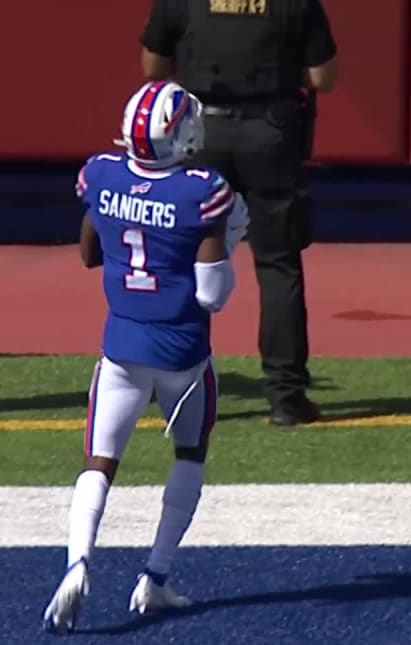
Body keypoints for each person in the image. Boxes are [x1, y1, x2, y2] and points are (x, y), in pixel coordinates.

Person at [43, 81, 248, 633]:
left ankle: (76, 562)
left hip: (122, 348)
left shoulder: (103, 175)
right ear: (178, 134)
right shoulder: (200, 191)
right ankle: (155, 579)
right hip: (183, 352)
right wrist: (225, 244)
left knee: (99, 463)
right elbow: (213, 296)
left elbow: (89, 253)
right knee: (188, 457)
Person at [139, 0, 339, 426]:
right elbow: (324, 76)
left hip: (200, 136)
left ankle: (180, 391)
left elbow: (152, 67)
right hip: (271, 133)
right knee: (278, 264)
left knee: (184, 263)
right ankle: (286, 397)